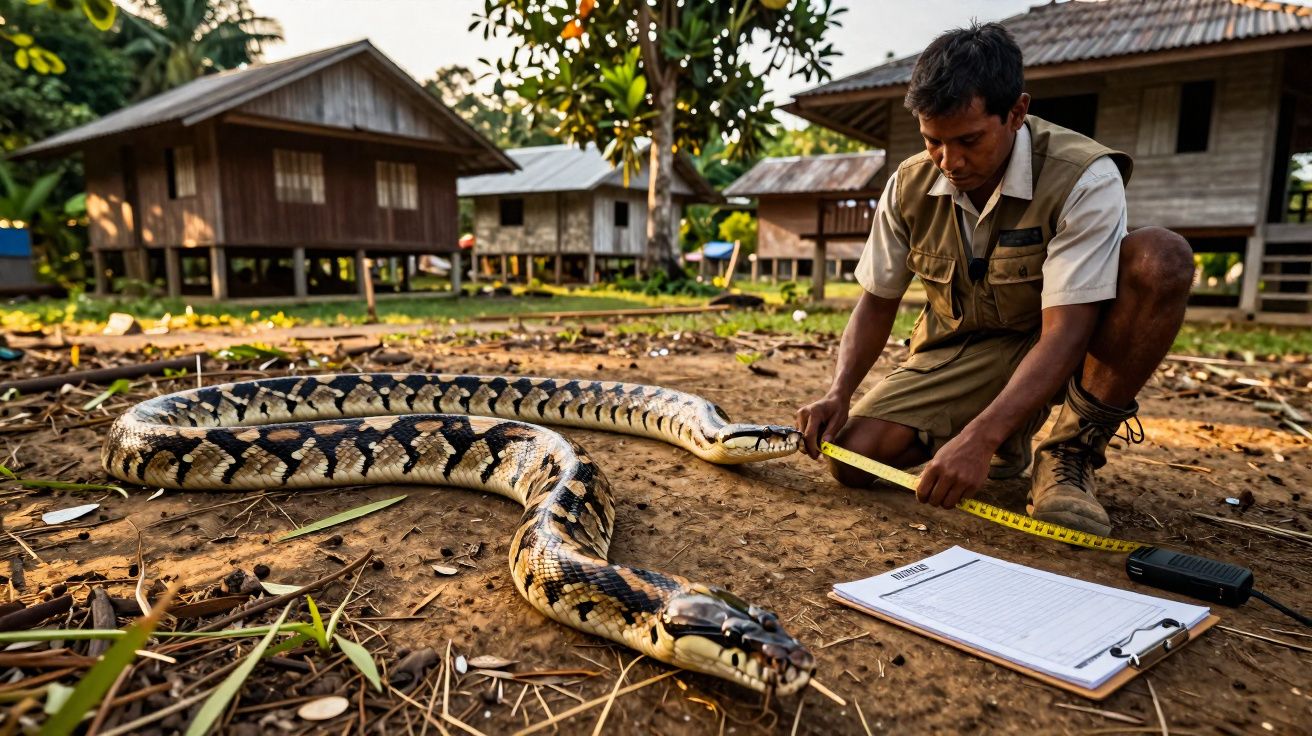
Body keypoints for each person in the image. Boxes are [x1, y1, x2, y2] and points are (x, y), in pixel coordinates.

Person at [795, 22, 1195, 536]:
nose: (950, 162)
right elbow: (876, 302)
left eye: (968, 140)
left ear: (1017, 113)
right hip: (966, 351)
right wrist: (839, 392)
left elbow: (1068, 332)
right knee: (851, 460)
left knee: (1160, 257)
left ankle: (1068, 453)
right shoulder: (909, 184)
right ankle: (1003, 438)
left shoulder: (1085, 177)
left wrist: (979, 437)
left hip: (1069, 339)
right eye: (933, 142)